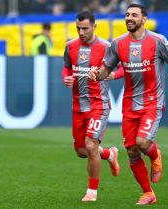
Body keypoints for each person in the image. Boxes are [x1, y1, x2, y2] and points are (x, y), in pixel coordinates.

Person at [88, 3, 168, 205]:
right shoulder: (118, 43)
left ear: (144, 19)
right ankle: (148, 193)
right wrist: (97, 75)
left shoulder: (158, 41)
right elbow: (106, 69)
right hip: (130, 103)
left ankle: (155, 155)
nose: (129, 18)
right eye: (127, 15)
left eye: (134, 15)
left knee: (142, 143)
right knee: (131, 151)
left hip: (152, 101)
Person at [62, 11, 121, 202]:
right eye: (78, 28)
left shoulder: (107, 47)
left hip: (99, 104)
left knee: (90, 145)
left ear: (95, 27)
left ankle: (92, 192)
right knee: (81, 151)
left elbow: (122, 67)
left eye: (85, 28)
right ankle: (110, 154)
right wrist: (66, 78)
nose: (81, 32)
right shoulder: (70, 46)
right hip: (79, 106)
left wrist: (111, 75)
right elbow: (67, 67)